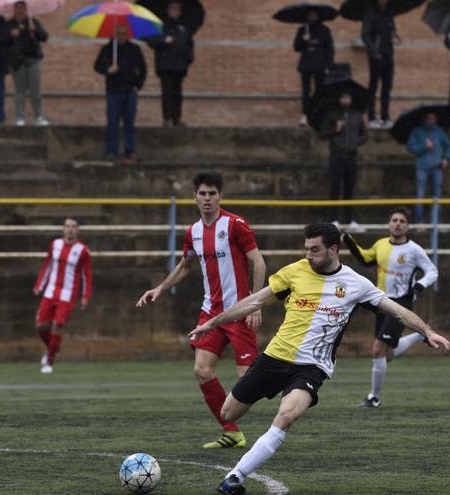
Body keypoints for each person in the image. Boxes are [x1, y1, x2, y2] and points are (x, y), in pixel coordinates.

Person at [185, 223, 450, 495]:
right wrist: (213, 323)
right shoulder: (294, 271)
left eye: (315, 250)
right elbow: (254, 301)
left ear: (333, 249)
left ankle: (234, 477)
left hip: (312, 367)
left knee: (287, 416)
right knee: (228, 413)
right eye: (306, 249)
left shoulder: (356, 284)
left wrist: (427, 331)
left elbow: (398, 311)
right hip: (275, 357)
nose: (308, 255)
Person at [136, 172, 267, 450]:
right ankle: (232, 433)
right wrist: (160, 288)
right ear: (195, 197)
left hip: (239, 311)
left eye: (212, 193)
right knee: (202, 370)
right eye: (202, 194)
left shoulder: (235, 225)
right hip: (211, 314)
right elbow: (185, 265)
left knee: (248, 383)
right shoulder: (192, 232)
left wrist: (255, 302)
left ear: (220, 196)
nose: (207, 198)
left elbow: (258, 261)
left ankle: (284, 385)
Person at [342, 208, 438, 408]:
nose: (397, 224)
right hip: (381, 302)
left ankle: (373, 398)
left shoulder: (414, 250)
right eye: (394, 220)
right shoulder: (381, 244)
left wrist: (420, 285)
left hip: (402, 303)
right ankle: (419, 335)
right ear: (389, 224)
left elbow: (432, 271)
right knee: (387, 354)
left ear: (407, 226)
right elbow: (365, 259)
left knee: (377, 349)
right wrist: (348, 241)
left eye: (402, 221)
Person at [33, 218, 92, 374]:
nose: (70, 229)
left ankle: (49, 361)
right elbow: (47, 265)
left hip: (68, 294)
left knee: (57, 325)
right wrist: (39, 284)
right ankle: (52, 348)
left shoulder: (82, 250)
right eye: (67, 226)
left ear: (77, 230)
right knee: (40, 325)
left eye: (73, 226)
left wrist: (85, 295)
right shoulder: (55, 245)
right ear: (63, 229)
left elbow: (87, 275)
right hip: (50, 291)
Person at [95, 25, 147, 163]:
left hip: (130, 91)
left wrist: (138, 85)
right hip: (113, 91)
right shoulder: (107, 49)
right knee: (112, 123)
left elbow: (142, 69)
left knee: (129, 123)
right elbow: (97, 66)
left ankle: (130, 151)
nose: (121, 36)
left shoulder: (134, 49)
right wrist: (108, 70)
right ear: (115, 34)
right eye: (118, 34)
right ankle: (111, 151)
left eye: (124, 34)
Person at [319, 91, 367, 232]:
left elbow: (364, 135)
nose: (345, 100)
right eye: (343, 97)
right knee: (335, 187)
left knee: (350, 188)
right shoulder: (332, 114)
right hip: (337, 155)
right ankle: (333, 218)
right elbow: (323, 133)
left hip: (351, 155)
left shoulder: (357, 114)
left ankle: (349, 219)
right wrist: (335, 129)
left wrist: (355, 142)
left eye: (348, 97)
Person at [148, 1, 194, 127]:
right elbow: (152, 41)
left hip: (179, 66)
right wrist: (164, 40)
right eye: (172, 9)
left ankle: (177, 118)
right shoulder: (161, 27)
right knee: (167, 92)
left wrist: (188, 59)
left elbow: (189, 45)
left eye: (177, 9)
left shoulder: (184, 28)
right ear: (168, 11)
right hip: (165, 66)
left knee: (177, 93)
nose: (174, 11)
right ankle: (167, 118)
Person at [4, 1, 49, 126]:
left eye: (22, 8)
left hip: (34, 59)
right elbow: (2, 40)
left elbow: (45, 37)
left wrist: (35, 30)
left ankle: (38, 116)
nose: (20, 11)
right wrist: (10, 34)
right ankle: (20, 117)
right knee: (20, 90)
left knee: (35, 90)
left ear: (26, 9)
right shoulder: (9, 24)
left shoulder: (33, 22)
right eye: (17, 8)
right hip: (18, 62)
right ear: (14, 10)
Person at [407, 112, 450, 223]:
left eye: (433, 118)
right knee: (420, 195)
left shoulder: (439, 131)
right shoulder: (417, 131)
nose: (431, 121)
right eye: (429, 118)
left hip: (436, 167)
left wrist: (446, 158)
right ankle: (420, 222)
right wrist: (424, 146)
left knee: (437, 196)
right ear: (425, 119)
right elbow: (411, 147)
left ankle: (436, 221)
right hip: (422, 167)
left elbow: (448, 145)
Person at [362, 0, 400, 129]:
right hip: (376, 56)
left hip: (388, 54)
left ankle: (385, 117)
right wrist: (374, 52)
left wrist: (394, 35)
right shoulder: (370, 14)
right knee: (373, 86)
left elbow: (392, 29)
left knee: (387, 86)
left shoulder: (389, 13)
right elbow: (365, 34)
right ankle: (372, 117)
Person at [294, 9, 334, 127]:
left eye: (314, 15)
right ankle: (305, 115)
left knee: (320, 91)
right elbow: (296, 47)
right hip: (306, 65)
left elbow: (330, 49)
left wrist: (328, 65)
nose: (312, 17)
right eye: (310, 15)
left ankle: (318, 115)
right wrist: (303, 39)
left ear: (318, 15)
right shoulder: (302, 29)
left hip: (320, 65)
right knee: (305, 92)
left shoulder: (325, 30)